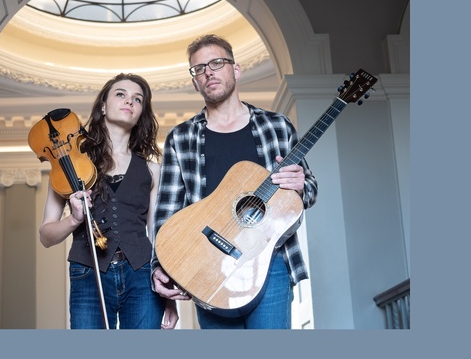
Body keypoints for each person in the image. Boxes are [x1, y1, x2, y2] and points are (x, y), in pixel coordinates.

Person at [151, 35, 318, 329]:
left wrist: (301, 185)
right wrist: (159, 266)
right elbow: (166, 214)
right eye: (199, 68)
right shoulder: (181, 138)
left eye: (217, 63)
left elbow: (311, 189)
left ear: (236, 70)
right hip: (208, 265)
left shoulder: (276, 126)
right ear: (195, 82)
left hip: (271, 261)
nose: (208, 72)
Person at [40, 73, 178, 329]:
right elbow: (46, 236)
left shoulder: (152, 170)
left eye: (138, 99)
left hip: (142, 275)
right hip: (88, 273)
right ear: (103, 105)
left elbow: (158, 235)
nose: (130, 101)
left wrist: (169, 295)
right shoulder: (67, 163)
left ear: (141, 114)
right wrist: (74, 219)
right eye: (121, 94)